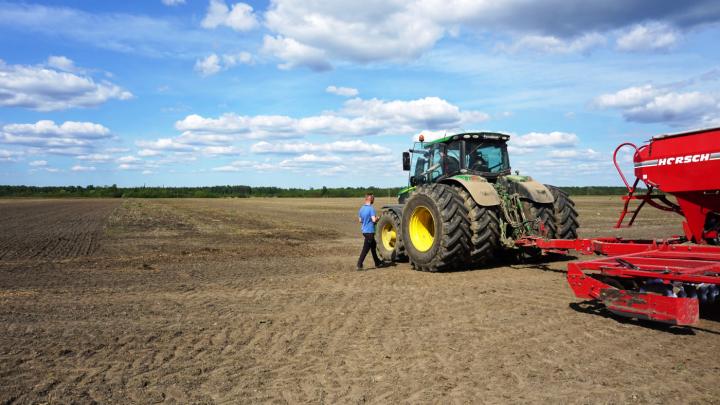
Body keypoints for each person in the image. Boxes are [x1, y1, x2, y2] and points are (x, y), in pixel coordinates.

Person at [356, 193, 387, 270]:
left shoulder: (361, 208)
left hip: (364, 231)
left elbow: (360, 220)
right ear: (371, 199)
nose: (374, 200)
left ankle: (377, 262)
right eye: (373, 198)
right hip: (370, 232)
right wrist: (378, 218)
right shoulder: (371, 209)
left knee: (373, 246)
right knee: (365, 249)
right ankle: (359, 265)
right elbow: (374, 220)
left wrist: (366, 220)